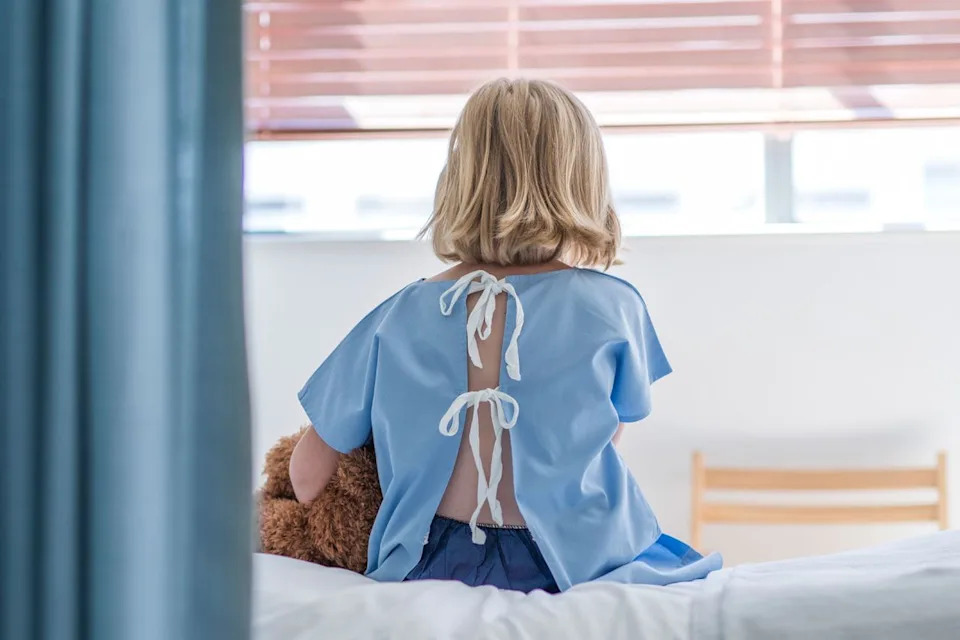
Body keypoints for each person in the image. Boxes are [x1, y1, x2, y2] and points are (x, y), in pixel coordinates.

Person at [289, 78, 722, 593]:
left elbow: (307, 478)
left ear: (460, 179)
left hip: (427, 563)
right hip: (574, 561)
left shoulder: (396, 316)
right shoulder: (614, 306)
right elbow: (602, 436)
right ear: (582, 180)